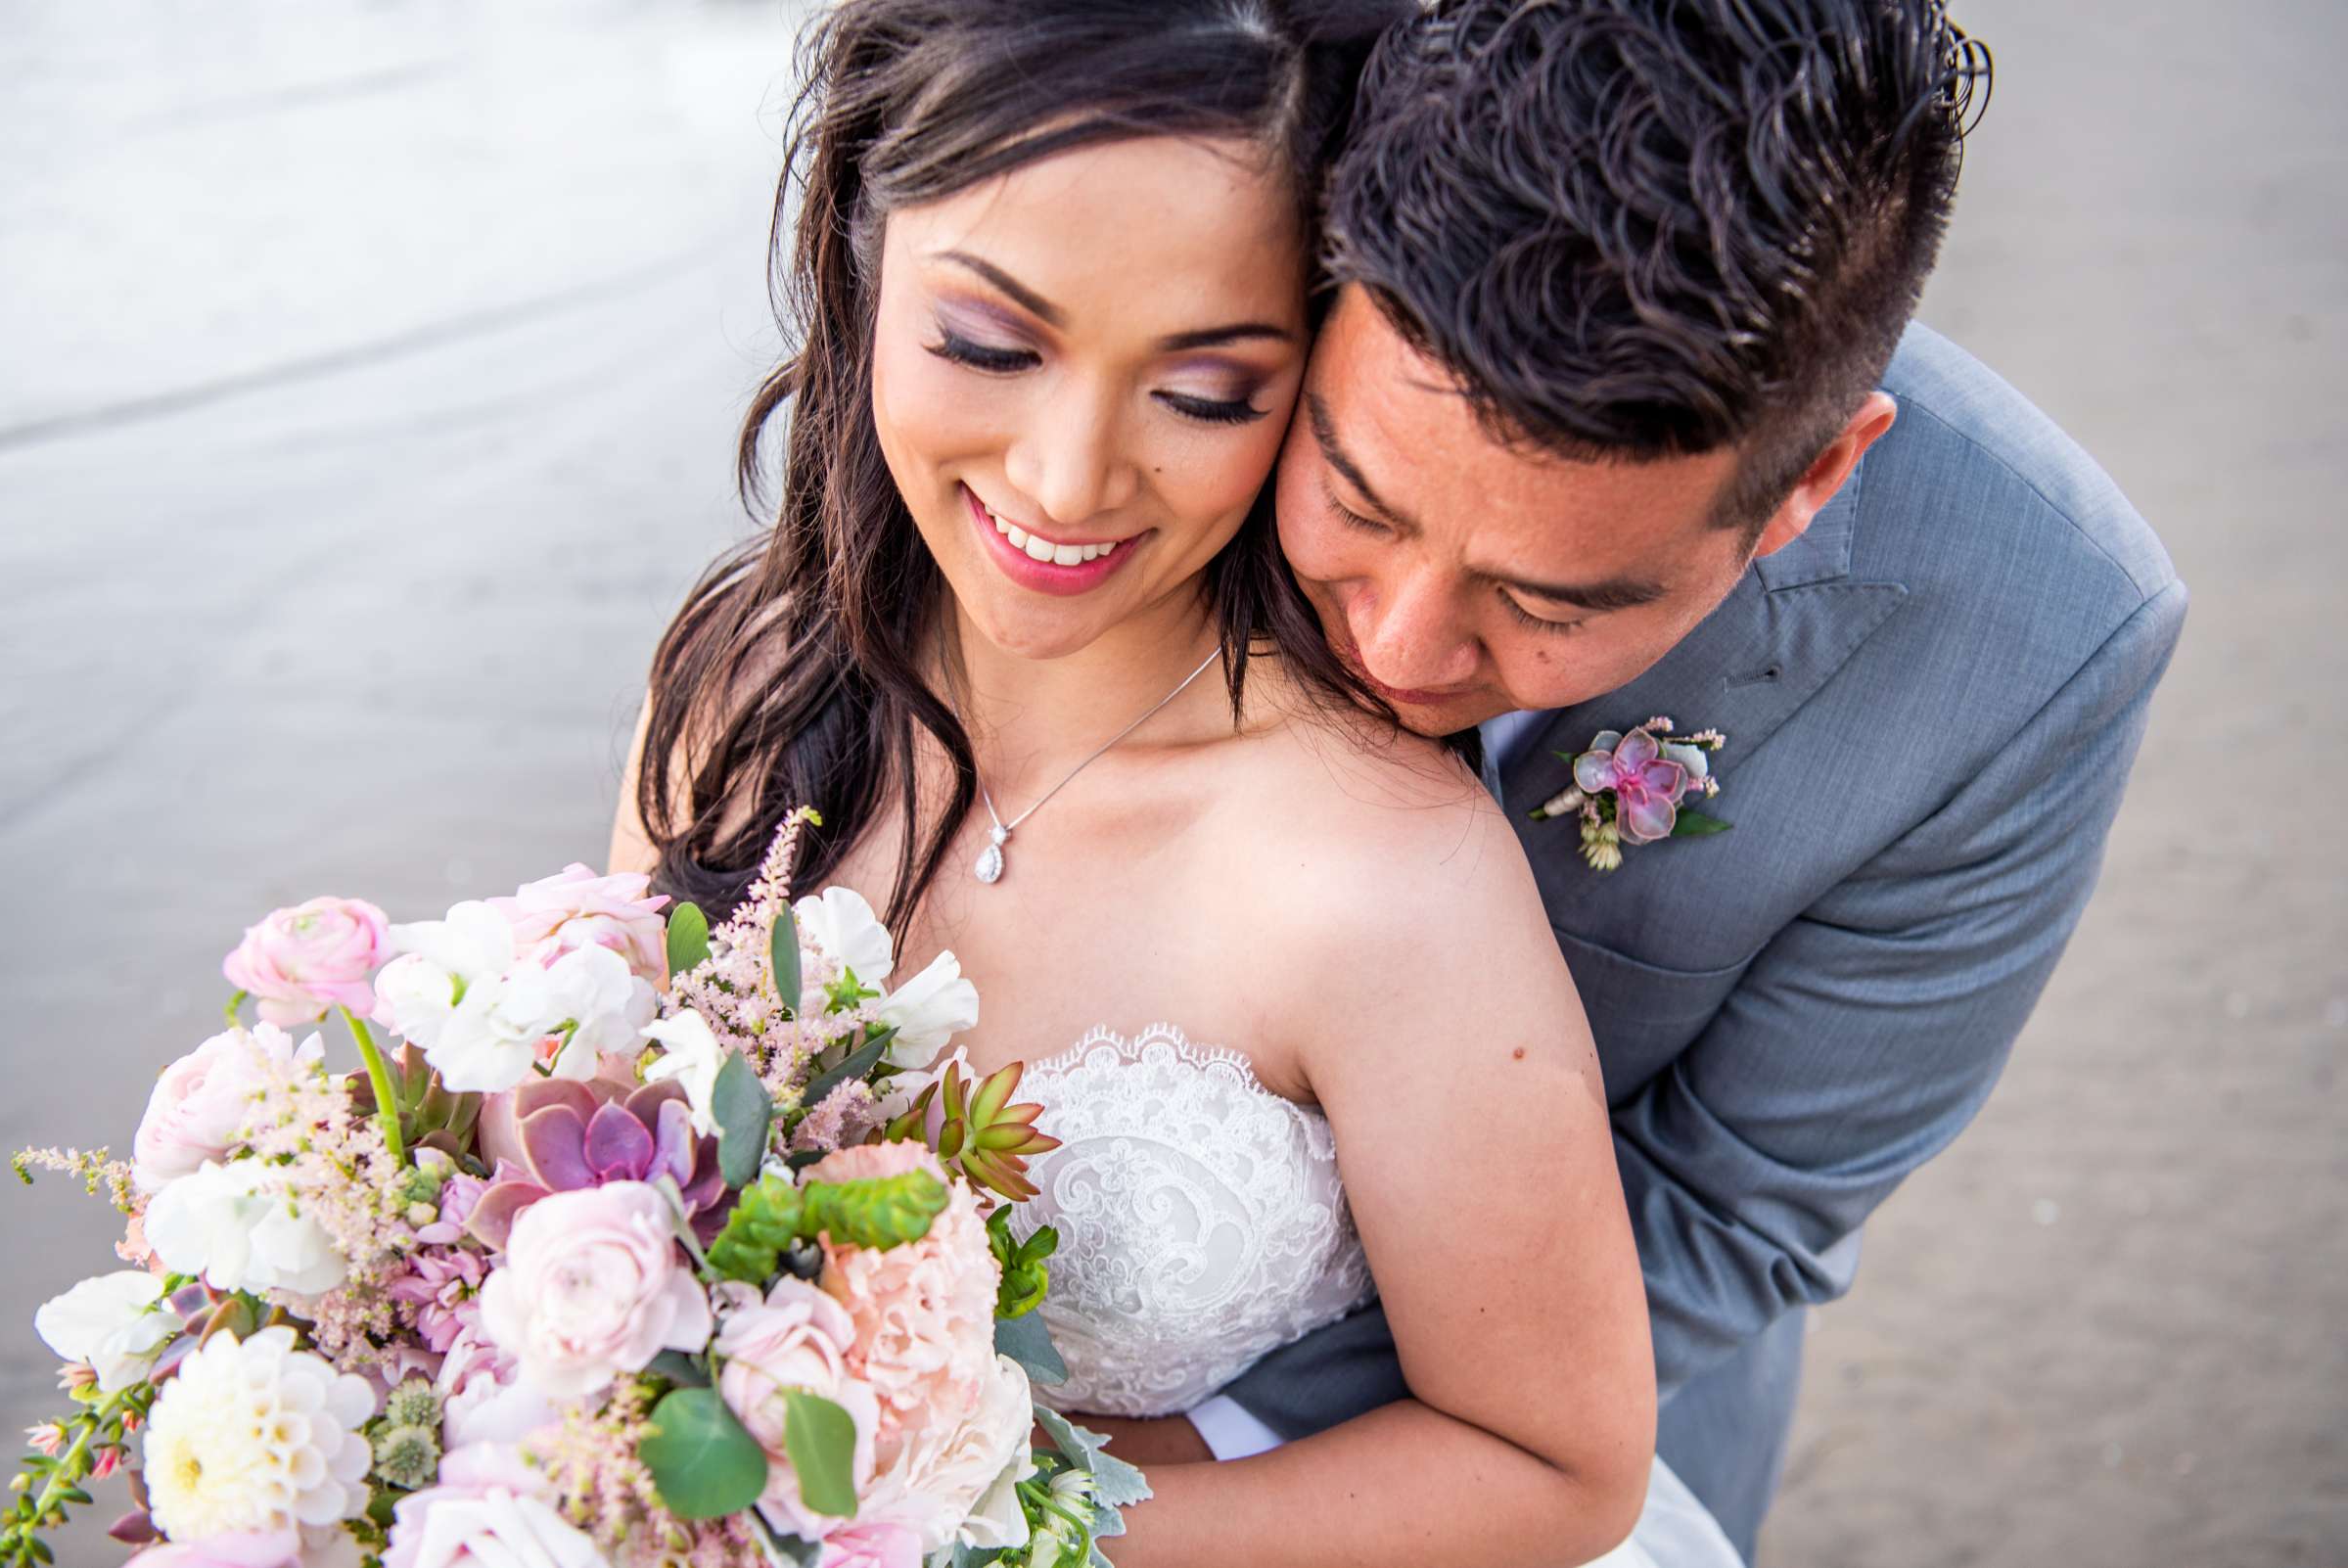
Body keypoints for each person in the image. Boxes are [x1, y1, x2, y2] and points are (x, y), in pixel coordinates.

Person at [609, 1, 1733, 1564]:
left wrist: (986, 1543)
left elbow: (1552, 1462)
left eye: (1204, 392)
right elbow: (597, 1167)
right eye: (990, 344)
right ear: (865, 250)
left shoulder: (1379, 875)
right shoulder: (739, 686)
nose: (1068, 478)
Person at [1156, 2, 2187, 1558]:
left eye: (1554, 603)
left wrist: (1152, 1465)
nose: (1402, 639)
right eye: (1357, 497)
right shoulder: (1183, 245)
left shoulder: (2041, 639)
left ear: (1816, 480)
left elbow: (1731, 1206)